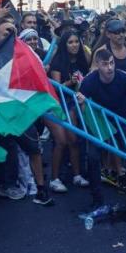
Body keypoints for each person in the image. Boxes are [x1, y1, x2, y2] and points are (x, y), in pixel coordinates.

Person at [76, 48, 126, 212]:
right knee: (92, 158)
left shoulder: (124, 78)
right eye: (105, 64)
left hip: (122, 120)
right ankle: (97, 198)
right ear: (97, 65)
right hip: (101, 121)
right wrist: (81, 102)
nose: (110, 67)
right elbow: (82, 109)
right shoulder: (89, 81)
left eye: (111, 63)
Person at [47, 29, 90, 192]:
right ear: (64, 45)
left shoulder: (81, 60)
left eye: (76, 42)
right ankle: (54, 179)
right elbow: (57, 88)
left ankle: (77, 175)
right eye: (70, 42)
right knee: (61, 142)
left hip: (75, 103)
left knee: (74, 140)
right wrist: (70, 82)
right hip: (58, 104)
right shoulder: (58, 62)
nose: (74, 45)